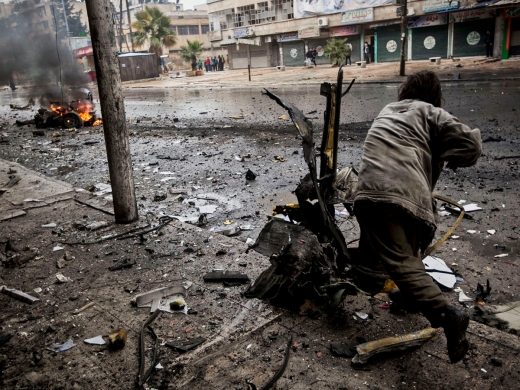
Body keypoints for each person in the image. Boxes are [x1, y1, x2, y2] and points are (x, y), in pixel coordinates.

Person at [353, 71, 481, 364]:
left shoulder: (387, 111)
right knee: (406, 254)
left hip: (374, 191)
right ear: (434, 95)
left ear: (406, 90)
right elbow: (472, 146)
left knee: (399, 258)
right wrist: (448, 155)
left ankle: (447, 314)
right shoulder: (433, 113)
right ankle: (413, 296)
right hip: (412, 196)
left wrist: (439, 152)